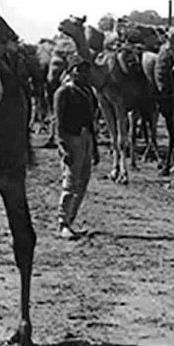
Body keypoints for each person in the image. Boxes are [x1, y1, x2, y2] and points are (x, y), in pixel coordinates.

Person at [54, 54, 99, 240]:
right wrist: (62, 147)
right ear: (71, 72)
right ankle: (63, 222)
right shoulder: (64, 93)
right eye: (79, 70)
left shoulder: (88, 92)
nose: (83, 74)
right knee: (71, 182)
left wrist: (94, 147)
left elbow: (91, 121)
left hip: (86, 137)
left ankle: (71, 220)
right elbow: (58, 122)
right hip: (71, 138)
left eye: (85, 70)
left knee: (83, 181)